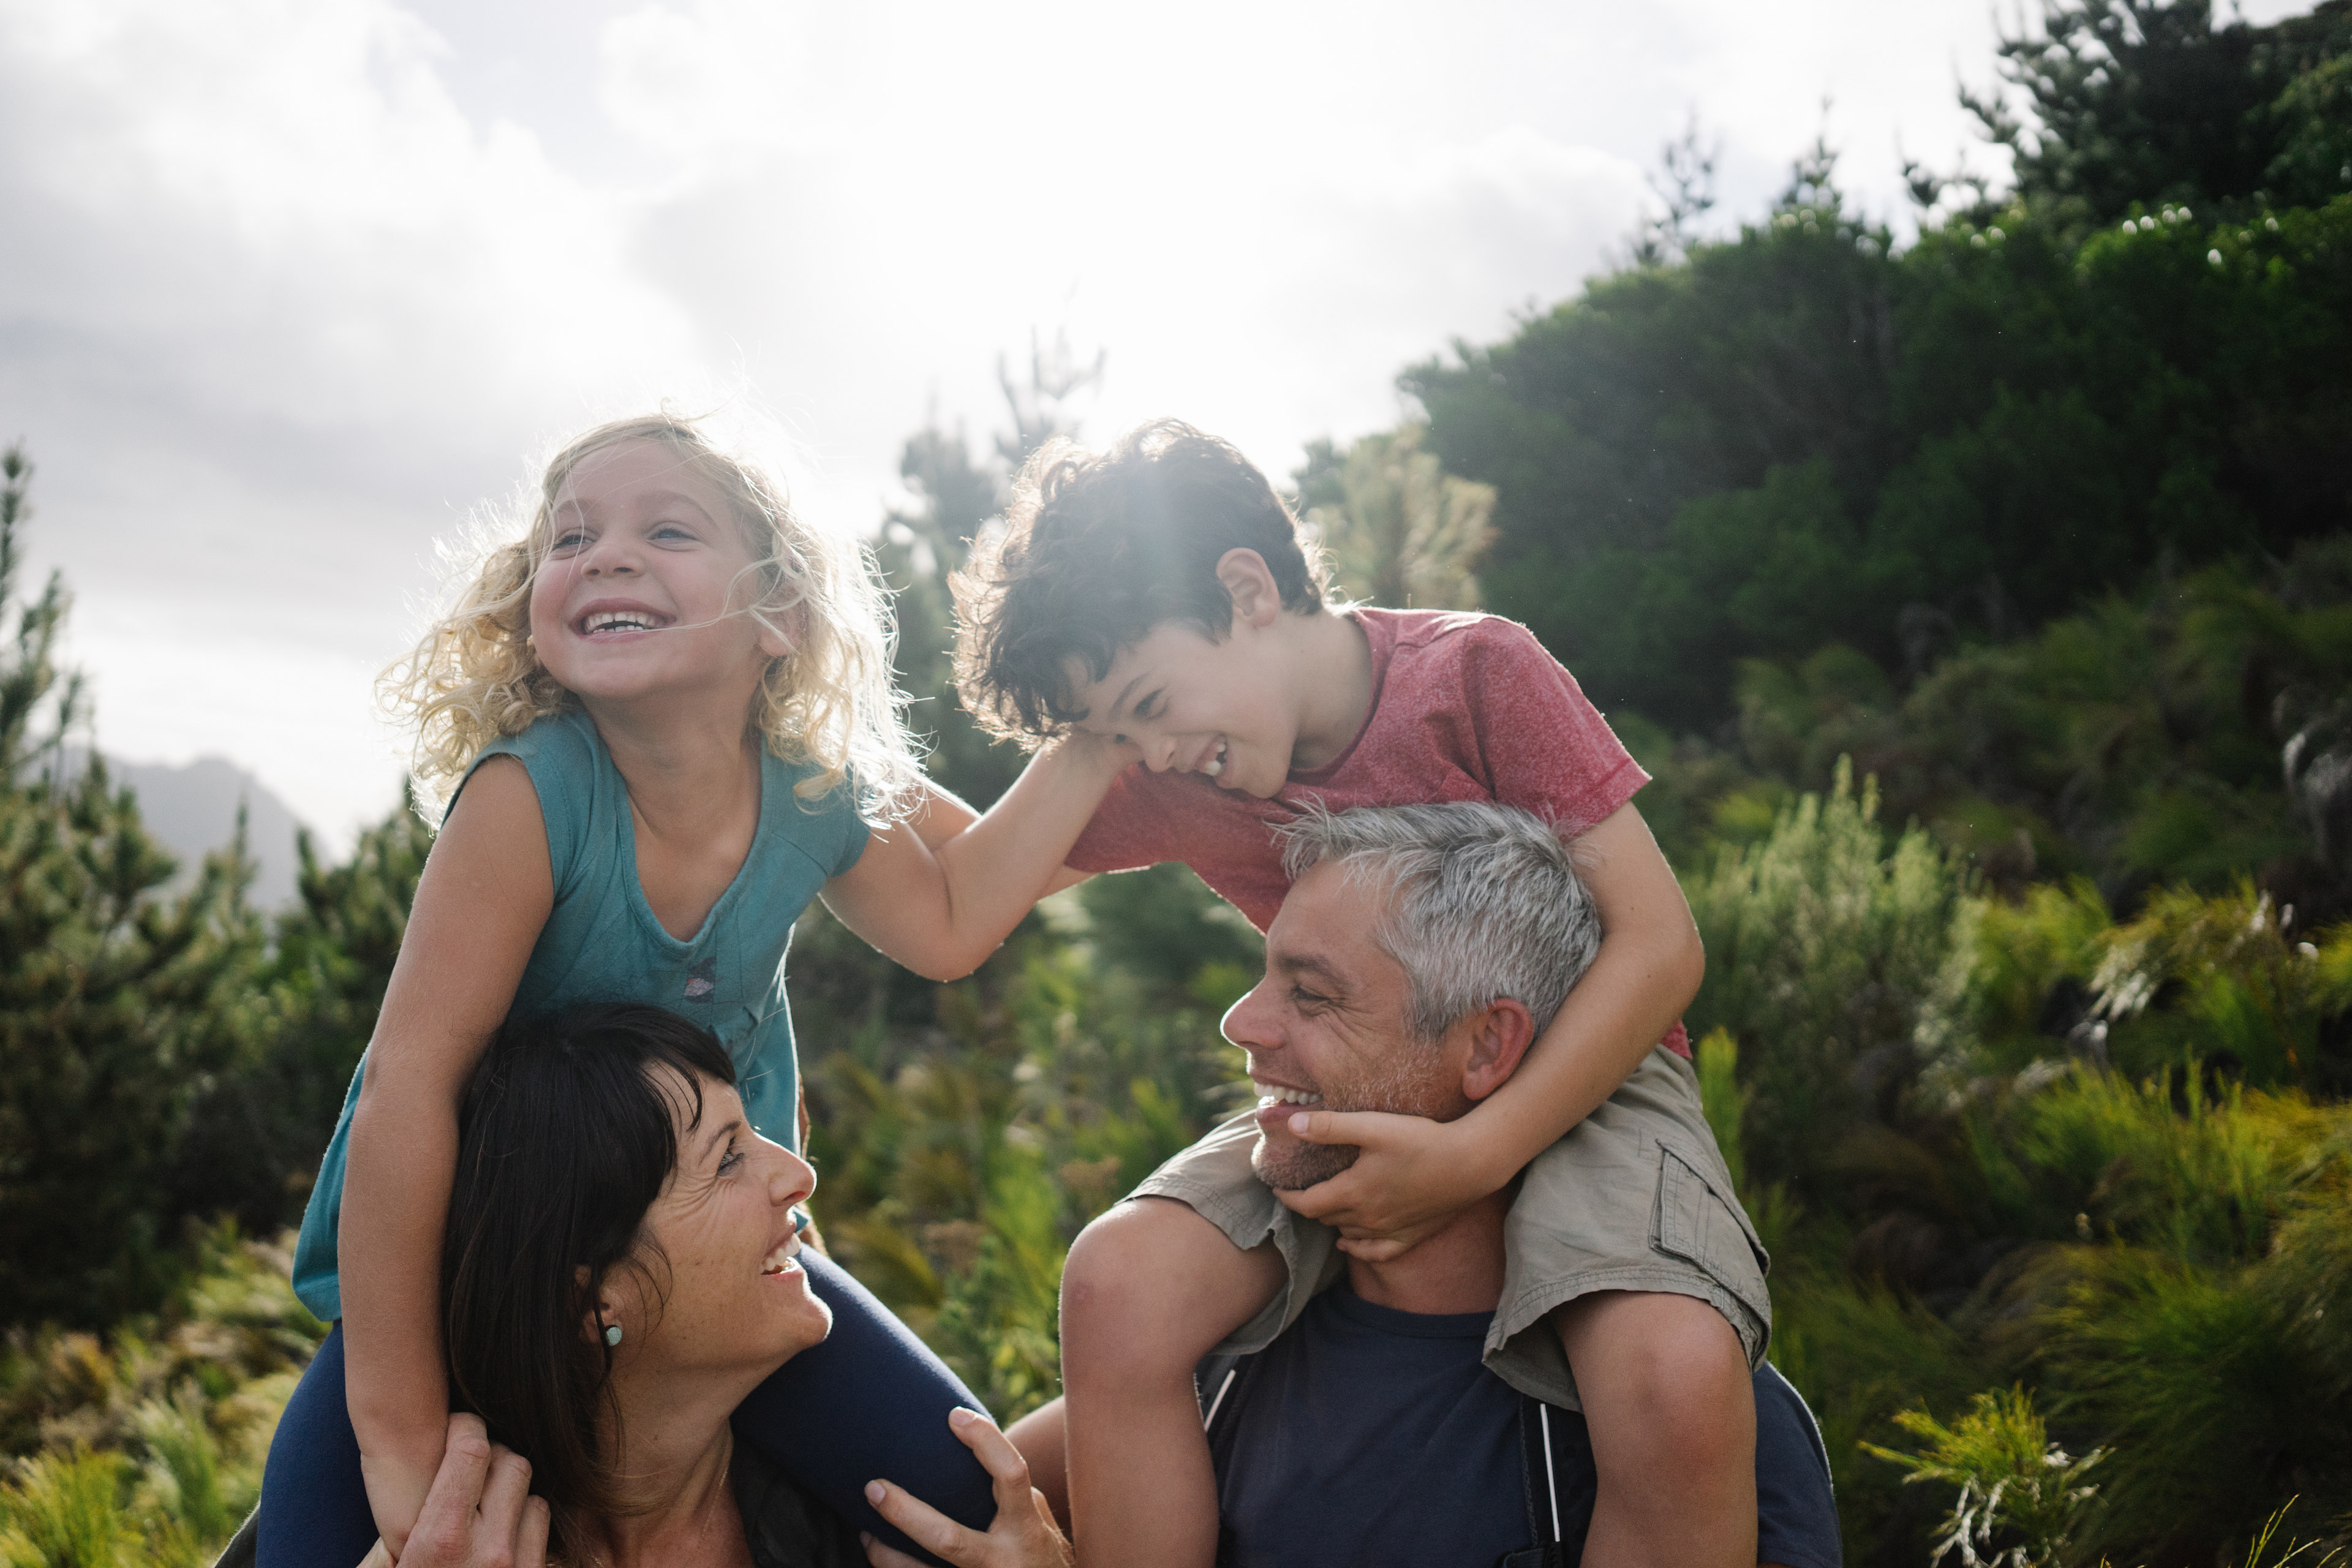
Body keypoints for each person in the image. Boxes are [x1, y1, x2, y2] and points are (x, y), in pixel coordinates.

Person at [259, 414, 1128, 1566]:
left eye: (666, 529)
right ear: (532, 611)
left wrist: (1118, 736)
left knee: (968, 1509)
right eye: (568, 542)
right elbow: (409, 1092)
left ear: (782, 618)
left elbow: (960, 913)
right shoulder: (533, 798)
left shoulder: (813, 789)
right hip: (468, 1270)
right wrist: (398, 1431)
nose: (606, 554)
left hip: (717, 1263)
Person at [952, 421, 1770, 1567]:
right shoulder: (1181, 764)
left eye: (1149, 701)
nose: (1152, 751)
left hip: (1599, 1066)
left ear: (1246, 589)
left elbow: (1659, 945)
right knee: (1119, 1280)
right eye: (1115, 733)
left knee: (1669, 1367)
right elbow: (962, 889)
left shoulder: (1475, 671)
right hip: (1352, 1061)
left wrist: (1479, 1155)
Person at [1188, 803, 1836, 1567]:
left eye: (1312, 994)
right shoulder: (1219, 1355)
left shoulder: (1684, 1419)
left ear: (1489, 1045)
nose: (1241, 1022)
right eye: (1265, 975)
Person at [219, 1003, 1073, 1568]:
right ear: (591, 1301)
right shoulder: (410, 1543)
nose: (799, 1176)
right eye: (728, 1159)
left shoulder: (863, 1512)